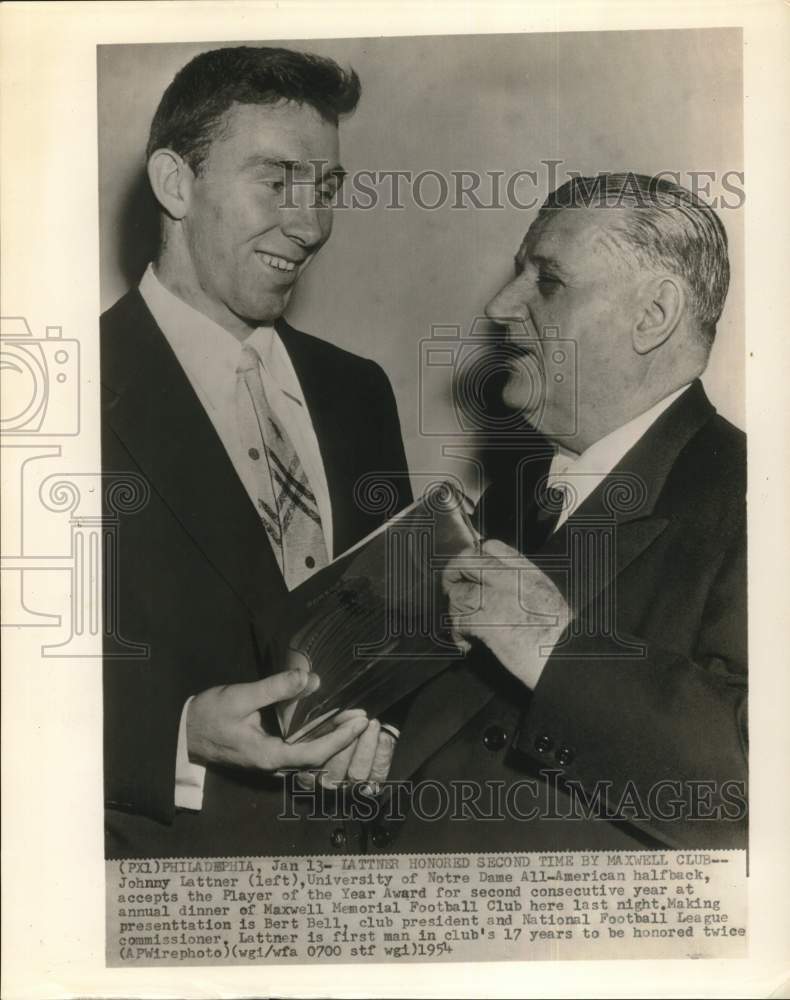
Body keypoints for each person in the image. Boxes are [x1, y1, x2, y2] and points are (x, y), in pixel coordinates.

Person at [101, 46, 412, 857]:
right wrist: (177, 730)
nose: (312, 226)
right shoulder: (58, 393)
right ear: (176, 183)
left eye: (327, 189)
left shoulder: (358, 391)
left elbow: (381, 634)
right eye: (276, 182)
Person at [380, 174, 747, 852]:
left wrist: (554, 649)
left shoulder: (754, 498)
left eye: (547, 282)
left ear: (653, 314)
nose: (499, 305)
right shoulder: (519, 492)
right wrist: (388, 747)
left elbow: (753, 790)